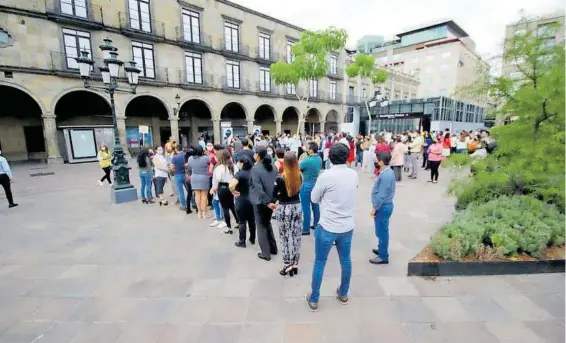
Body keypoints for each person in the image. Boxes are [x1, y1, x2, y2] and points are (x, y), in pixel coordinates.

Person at [305, 144, 359, 312]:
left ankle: (314, 298)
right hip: (346, 226)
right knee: (346, 260)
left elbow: (314, 198)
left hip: (328, 226)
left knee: (320, 262)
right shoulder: (353, 174)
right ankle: (343, 293)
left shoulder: (326, 176)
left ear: (330, 158)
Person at [273, 151, 303, 277]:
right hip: (297, 207)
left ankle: (287, 265)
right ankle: (295, 264)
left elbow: (274, 195)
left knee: (284, 237)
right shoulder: (300, 175)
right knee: (296, 236)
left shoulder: (280, 178)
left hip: (284, 208)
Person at [249, 146, 278, 261]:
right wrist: (272, 202)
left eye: (254, 153)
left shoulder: (255, 169)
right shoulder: (273, 167)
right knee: (267, 223)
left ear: (258, 155)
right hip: (271, 200)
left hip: (261, 201)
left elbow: (258, 188)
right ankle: (273, 248)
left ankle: (265, 253)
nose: (253, 155)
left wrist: (266, 202)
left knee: (261, 226)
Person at [370, 152, 396, 264]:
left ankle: (383, 256)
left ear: (381, 162)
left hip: (383, 207)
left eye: (377, 160)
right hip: (384, 205)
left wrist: (374, 208)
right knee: (380, 231)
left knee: (382, 232)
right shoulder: (387, 172)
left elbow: (381, 194)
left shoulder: (386, 175)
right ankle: (381, 249)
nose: (375, 161)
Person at [230, 155, 256, 247]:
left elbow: (231, 185)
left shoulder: (240, 174)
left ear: (242, 163)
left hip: (242, 199)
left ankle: (242, 241)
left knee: (242, 221)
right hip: (253, 199)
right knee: (252, 220)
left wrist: (233, 192)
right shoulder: (254, 172)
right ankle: (252, 238)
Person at [211, 149, 238, 233]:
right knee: (232, 206)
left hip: (222, 187)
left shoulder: (219, 167)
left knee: (225, 208)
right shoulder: (233, 166)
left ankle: (229, 227)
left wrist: (214, 188)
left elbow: (217, 179)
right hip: (231, 187)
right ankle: (238, 222)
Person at [299, 142, 322, 235]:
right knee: (315, 205)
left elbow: (298, 167)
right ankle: (316, 224)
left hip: (306, 184)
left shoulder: (307, 160)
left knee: (305, 207)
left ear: (311, 150)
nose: (306, 150)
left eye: (308, 148)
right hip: (315, 184)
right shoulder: (319, 159)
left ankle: (305, 228)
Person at [187, 145, 211, 218]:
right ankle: (205, 213)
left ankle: (199, 212)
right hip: (204, 178)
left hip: (194, 177)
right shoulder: (205, 158)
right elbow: (211, 162)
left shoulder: (190, 158)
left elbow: (189, 168)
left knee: (197, 195)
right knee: (204, 196)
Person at [170, 145, 187, 210]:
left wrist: (175, 168)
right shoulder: (185, 156)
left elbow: (171, 167)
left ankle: (183, 205)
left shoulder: (174, 157)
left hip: (178, 175)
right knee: (189, 190)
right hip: (186, 174)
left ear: (176, 150)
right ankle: (193, 203)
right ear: (182, 149)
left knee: (180, 191)